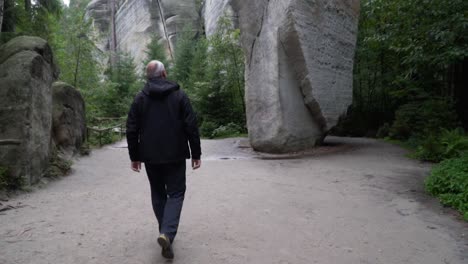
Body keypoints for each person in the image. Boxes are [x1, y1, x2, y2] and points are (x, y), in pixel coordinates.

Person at [126, 60, 201, 259]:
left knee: (158, 194)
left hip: (150, 156)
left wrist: (135, 156)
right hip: (175, 155)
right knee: (176, 194)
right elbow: (191, 125)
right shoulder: (179, 95)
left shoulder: (140, 98)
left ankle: (165, 232)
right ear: (164, 74)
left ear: (148, 77)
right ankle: (167, 233)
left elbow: (131, 128)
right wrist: (196, 154)